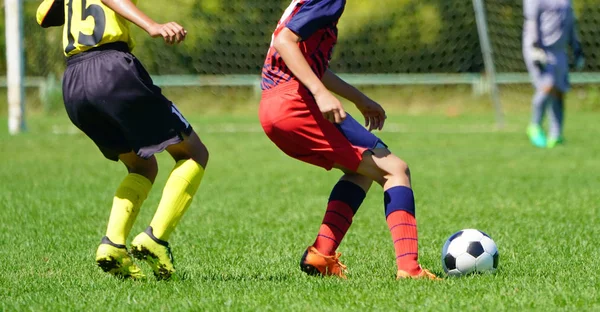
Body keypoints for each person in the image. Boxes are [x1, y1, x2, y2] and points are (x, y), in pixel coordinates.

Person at [259, 0, 438, 280]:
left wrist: (359, 99)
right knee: (396, 170)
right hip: (297, 103)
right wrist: (320, 93)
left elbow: (307, 61)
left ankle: (321, 255)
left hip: (273, 108)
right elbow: (285, 41)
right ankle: (410, 270)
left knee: (361, 170)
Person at [36, 0, 209, 280]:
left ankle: (113, 245)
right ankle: (156, 239)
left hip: (74, 81)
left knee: (142, 166)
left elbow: (43, 16)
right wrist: (153, 25)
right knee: (193, 153)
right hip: (111, 68)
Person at [523, 0, 584, 148]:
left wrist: (576, 47)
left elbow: (570, 24)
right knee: (547, 86)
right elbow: (532, 22)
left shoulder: (565, 2)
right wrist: (536, 47)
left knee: (559, 92)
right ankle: (534, 126)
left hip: (560, 51)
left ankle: (556, 135)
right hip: (541, 49)